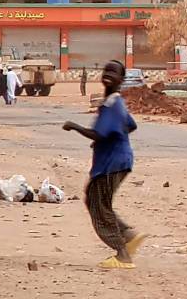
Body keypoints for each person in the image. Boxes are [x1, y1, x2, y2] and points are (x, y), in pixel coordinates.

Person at [62, 60, 146, 269]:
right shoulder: (115, 102)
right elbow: (130, 125)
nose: (108, 74)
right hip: (117, 160)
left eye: (113, 72)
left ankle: (122, 253)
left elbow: (99, 133)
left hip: (111, 163)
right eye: (106, 70)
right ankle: (127, 235)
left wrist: (74, 126)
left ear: (121, 80)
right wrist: (111, 139)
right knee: (96, 200)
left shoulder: (111, 104)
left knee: (99, 205)